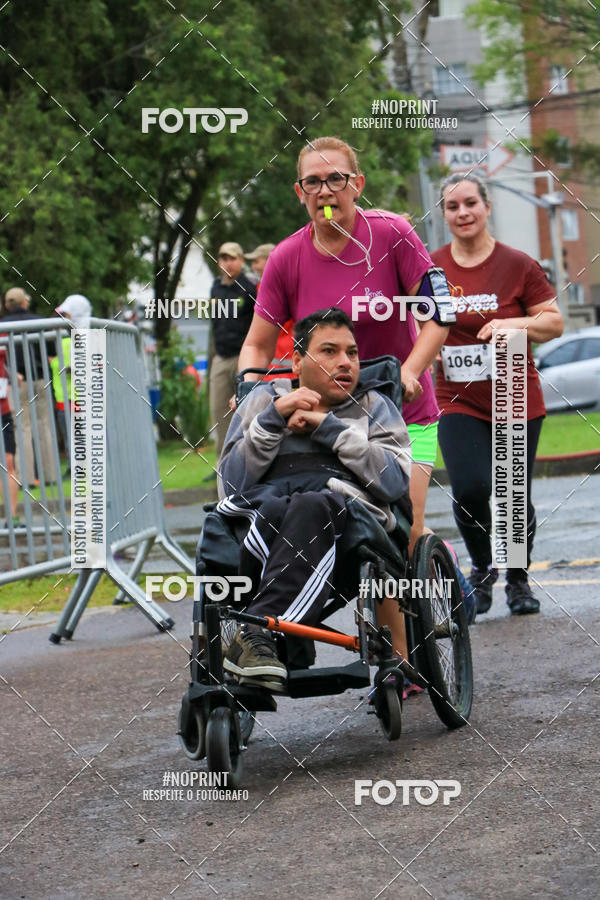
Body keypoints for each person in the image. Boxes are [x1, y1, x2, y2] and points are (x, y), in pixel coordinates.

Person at [237, 136, 455, 654]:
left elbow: (437, 315)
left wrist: (409, 371)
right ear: (299, 192)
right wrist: (248, 388)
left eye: (336, 178)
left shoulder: (393, 235)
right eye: (313, 181)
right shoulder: (288, 257)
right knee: (342, 523)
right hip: (328, 419)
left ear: (357, 185)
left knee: (399, 533)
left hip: (402, 413)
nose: (325, 190)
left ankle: (405, 658)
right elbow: (256, 342)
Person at [218, 308, 411, 691]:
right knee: (268, 509)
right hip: (266, 515)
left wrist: (330, 429)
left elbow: (393, 482)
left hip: (345, 524)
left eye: (352, 353)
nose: (345, 362)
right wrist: (273, 420)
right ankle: (284, 635)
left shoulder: (374, 406)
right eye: (329, 351)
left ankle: (256, 631)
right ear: (297, 360)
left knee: (312, 505)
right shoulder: (262, 401)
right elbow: (231, 485)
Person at [432, 173, 564, 616]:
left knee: (511, 494)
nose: (463, 213)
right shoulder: (432, 268)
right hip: (456, 397)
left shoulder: (519, 264)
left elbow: (552, 323)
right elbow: (417, 323)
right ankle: (483, 569)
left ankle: (517, 580)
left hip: (515, 393)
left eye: (470, 203)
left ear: (486, 207)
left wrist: (514, 324)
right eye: (453, 206)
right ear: (444, 214)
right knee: (470, 488)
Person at [1, 287, 56, 486]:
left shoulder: (2, 325)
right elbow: (52, 349)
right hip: (41, 378)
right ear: (25, 302)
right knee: (44, 425)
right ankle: (50, 475)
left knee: (22, 428)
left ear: (8, 305)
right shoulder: (40, 321)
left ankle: (26, 478)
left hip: (17, 380)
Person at [208, 242, 256, 457]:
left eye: (233, 258)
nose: (228, 263)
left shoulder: (250, 287)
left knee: (247, 414)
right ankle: (222, 475)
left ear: (241, 261)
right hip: (221, 357)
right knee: (220, 416)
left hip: (242, 359)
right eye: (224, 258)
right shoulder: (215, 288)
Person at [50, 294, 92, 473]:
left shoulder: (80, 337)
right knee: (75, 437)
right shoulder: (70, 337)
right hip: (68, 399)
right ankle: (77, 468)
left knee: (76, 437)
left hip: (75, 399)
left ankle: (79, 468)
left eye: (66, 314)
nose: (63, 318)